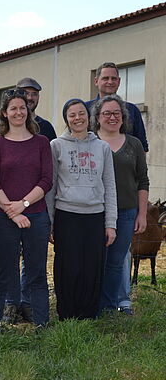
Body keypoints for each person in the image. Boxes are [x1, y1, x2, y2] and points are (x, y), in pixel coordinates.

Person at [0, 89, 52, 332]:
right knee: (1, 273)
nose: (18, 112)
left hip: (36, 216)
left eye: (22, 107)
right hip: (3, 217)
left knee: (36, 274)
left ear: (28, 111)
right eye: (13, 108)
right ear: (4, 113)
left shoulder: (41, 142)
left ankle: (42, 325)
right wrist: (12, 212)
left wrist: (23, 205)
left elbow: (46, 180)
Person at [86, 62, 149, 314]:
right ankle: (94, 304)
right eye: (106, 113)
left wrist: (142, 214)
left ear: (123, 117)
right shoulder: (89, 143)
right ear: (97, 117)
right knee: (95, 260)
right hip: (94, 211)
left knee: (115, 262)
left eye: (117, 114)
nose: (112, 117)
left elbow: (142, 181)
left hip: (125, 212)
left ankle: (111, 306)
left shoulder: (133, 144)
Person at [46, 98, 117, 320]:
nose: (77, 118)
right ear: (67, 119)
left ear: (89, 116)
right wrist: (50, 221)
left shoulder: (102, 147)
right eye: (72, 115)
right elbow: (51, 187)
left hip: (95, 215)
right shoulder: (56, 146)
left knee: (91, 268)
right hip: (67, 215)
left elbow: (110, 186)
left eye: (81, 114)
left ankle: (88, 314)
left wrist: (111, 224)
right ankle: (66, 313)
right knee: (68, 266)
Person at [86, 62, 149, 152]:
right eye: (105, 78)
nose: (110, 82)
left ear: (119, 81)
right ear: (96, 81)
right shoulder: (85, 109)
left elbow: (142, 146)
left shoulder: (132, 110)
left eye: (114, 78)